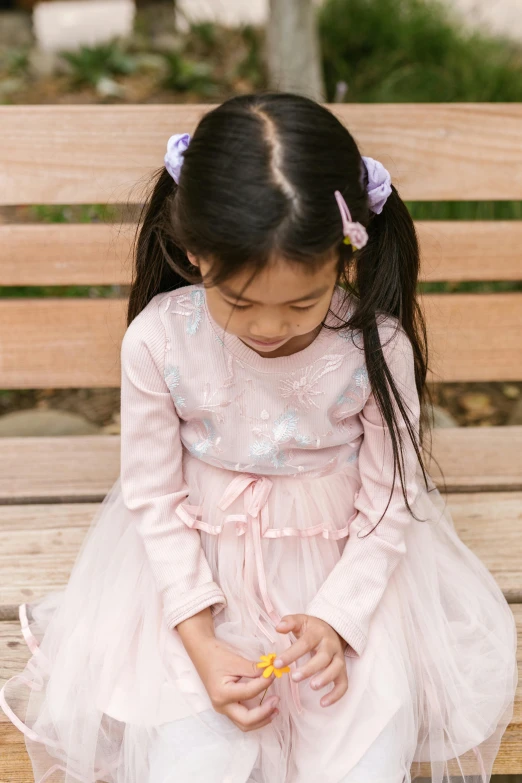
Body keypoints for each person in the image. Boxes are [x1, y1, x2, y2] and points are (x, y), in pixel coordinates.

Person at [0, 92, 517, 783]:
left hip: (343, 579)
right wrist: (201, 642)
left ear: (345, 256)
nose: (270, 328)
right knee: (191, 764)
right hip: (196, 584)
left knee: (358, 760)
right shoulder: (159, 339)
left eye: (301, 304)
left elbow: (391, 501)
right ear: (194, 252)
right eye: (238, 303)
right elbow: (152, 497)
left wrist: (337, 620)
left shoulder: (372, 343)